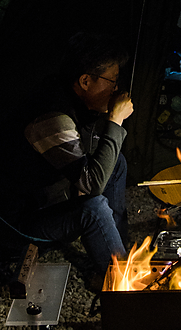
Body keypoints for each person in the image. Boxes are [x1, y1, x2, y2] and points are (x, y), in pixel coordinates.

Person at [12, 32, 133, 287]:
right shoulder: (52, 117)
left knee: (117, 162)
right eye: (111, 81)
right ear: (85, 80)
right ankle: (123, 282)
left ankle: (117, 250)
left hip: (49, 197)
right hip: (23, 218)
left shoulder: (70, 95)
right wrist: (115, 120)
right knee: (94, 207)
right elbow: (92, 186)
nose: (116, 89)